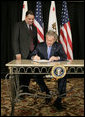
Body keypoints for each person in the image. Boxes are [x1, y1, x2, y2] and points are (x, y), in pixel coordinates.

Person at [12, 10, 50, 99]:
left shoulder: (35, 28)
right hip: (21, 54)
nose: (31, 21)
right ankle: (19, 91)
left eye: (32, 19)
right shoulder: (18, 25)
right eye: (29, 19)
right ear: (25, 17)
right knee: (20, 73)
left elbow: (35, 42)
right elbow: (15, 41)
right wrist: (17, 53)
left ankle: (25, 89)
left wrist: (36, 54)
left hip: (31, 54)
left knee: (28, 72)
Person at [31, 30, 67, 110]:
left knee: (63, 75)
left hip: (55, 69)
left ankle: (59, 99)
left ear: (54, 40)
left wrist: (57, 58)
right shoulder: (40, 45)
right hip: (43, 69)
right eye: (47, 40)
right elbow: (32, 54)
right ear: (45, 38)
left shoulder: (58, 46)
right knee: (36, 74)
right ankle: (47, 92)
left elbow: (64, 57)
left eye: (51, 41)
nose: (49, 42)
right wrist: (34, 57)